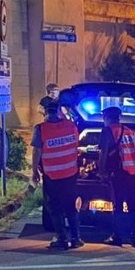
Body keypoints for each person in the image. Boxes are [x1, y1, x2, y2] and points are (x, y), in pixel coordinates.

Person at [31, 96, 83, 250]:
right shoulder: (71, 126)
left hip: (52, 176)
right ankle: (76, 238)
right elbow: (76, 145)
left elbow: (37, 151)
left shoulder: (41, 129)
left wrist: (34, 171)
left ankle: (62, 239)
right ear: (59, 111)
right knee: (71, 207)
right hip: (70, 174)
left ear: (45, 112)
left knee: (55, 208)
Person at [96, 105, 135, 247]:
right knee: (133, 205)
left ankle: (118, 237)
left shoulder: (107, 131)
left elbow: (103, 153)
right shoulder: (129, 131)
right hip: (134, 173)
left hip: (119, 173)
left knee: (118, 205)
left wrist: (101, 171)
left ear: (107, 118)